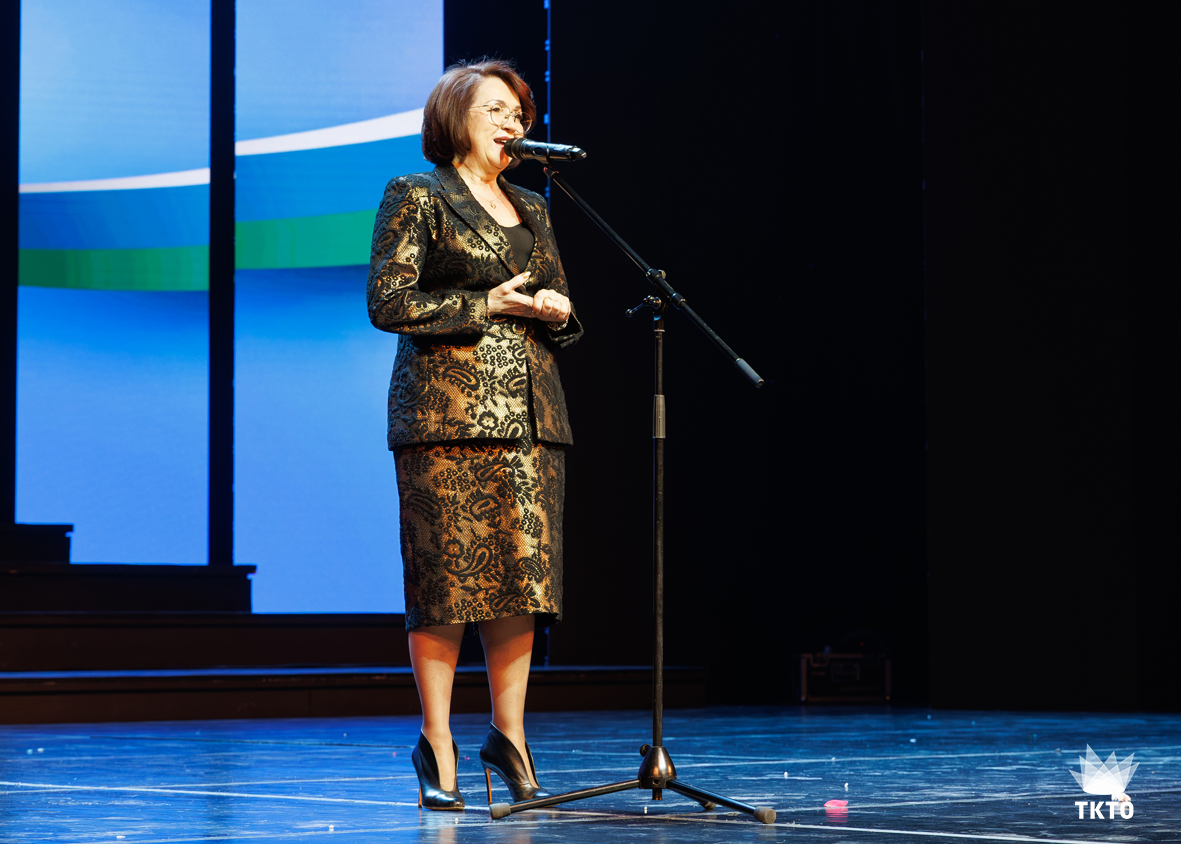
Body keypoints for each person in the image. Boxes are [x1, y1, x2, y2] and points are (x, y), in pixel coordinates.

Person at [366, 59, 582, 810]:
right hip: (445, 418)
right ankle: (438, 740)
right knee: (447, 581)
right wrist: (484, 304)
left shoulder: (534, 206)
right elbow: (388, 301)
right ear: (455, 116)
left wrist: (558, 310)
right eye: (495, 109)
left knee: (522, 580)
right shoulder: (417, 194)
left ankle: (509, 737)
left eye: (518, 113)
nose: (511, 123)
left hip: (532, 416)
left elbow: (560, 304)